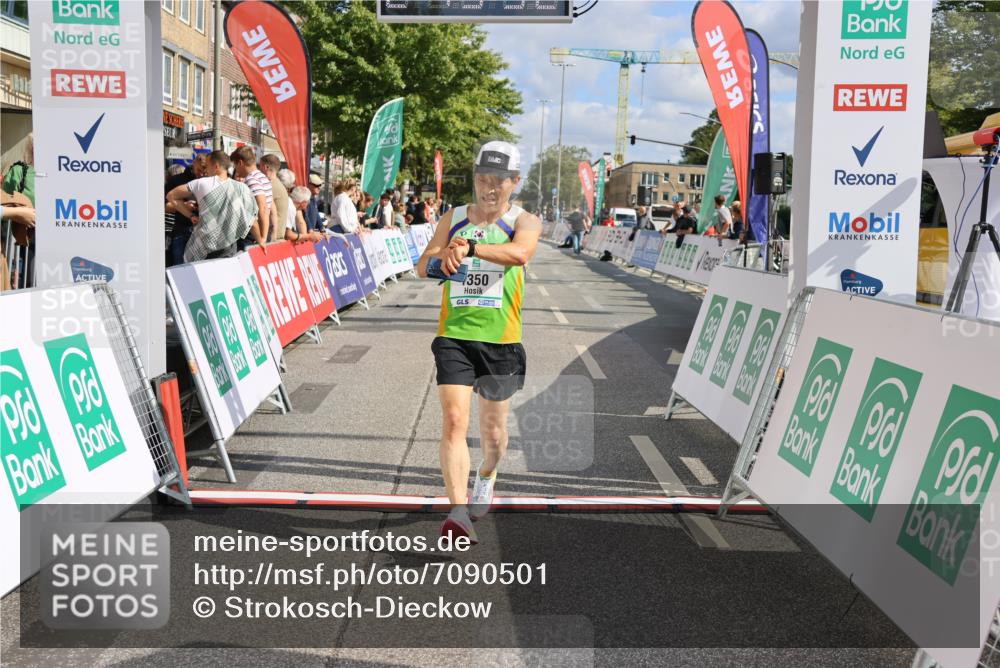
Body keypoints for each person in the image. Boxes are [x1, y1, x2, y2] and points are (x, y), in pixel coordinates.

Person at [416, 140, 541, 544]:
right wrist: (443, 261)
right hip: (454, 335)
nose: (488, 188)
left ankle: (487, 473)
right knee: (454, 421)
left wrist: (470, 248)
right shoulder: (452, 217)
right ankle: (457, 511)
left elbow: (521, 254)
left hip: (500, 341)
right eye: (482, 179)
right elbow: (423, 266)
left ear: (514, 182)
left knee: (493, 434)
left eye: (498, 182)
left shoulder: (525, 220)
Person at [167, 150, 257, 262]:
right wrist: (261, 240)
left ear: (216, 166)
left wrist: (190, 215)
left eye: (207, 167)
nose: (205, 171)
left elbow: (171, 196)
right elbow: (252, 220)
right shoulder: (241, 188)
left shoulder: (201, 183)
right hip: (227, 244)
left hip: (204, 243)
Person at [164, 154, 208, 266]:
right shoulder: (176, 180)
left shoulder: (209, 181)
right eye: (199, 170)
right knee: (179, 269)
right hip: (181, 231)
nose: (201, 174)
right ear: (193, 163)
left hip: (204, 233)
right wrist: (184, 206)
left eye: (204, 171)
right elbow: (164, 207)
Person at [230, 146, 271, 250]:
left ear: (240, 163)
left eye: (235, 165)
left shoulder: (251, 180)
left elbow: (262, 207)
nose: (236, 170)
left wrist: (262, 238)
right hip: (259, 233)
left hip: (252, 235)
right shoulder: (263, 177)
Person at [261, 154, 287, 242]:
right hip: (277, 235)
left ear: (266, 167)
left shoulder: (270, 185)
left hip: (273, 237)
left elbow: (266, 210)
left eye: (260, 166)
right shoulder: (278, 184)